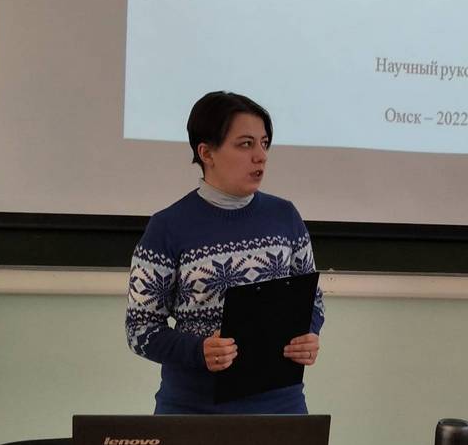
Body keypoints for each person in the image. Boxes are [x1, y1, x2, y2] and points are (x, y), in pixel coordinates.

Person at [126, 91, 325, 414]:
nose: (260, 156)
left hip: (280, 408)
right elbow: (140, 329)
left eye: (264, 143)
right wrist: (198, 350)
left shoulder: (285, 217)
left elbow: (312, 300)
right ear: (207, 152)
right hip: (194, 410)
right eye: (245, 144)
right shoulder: (168, 227)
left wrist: (309, 335)